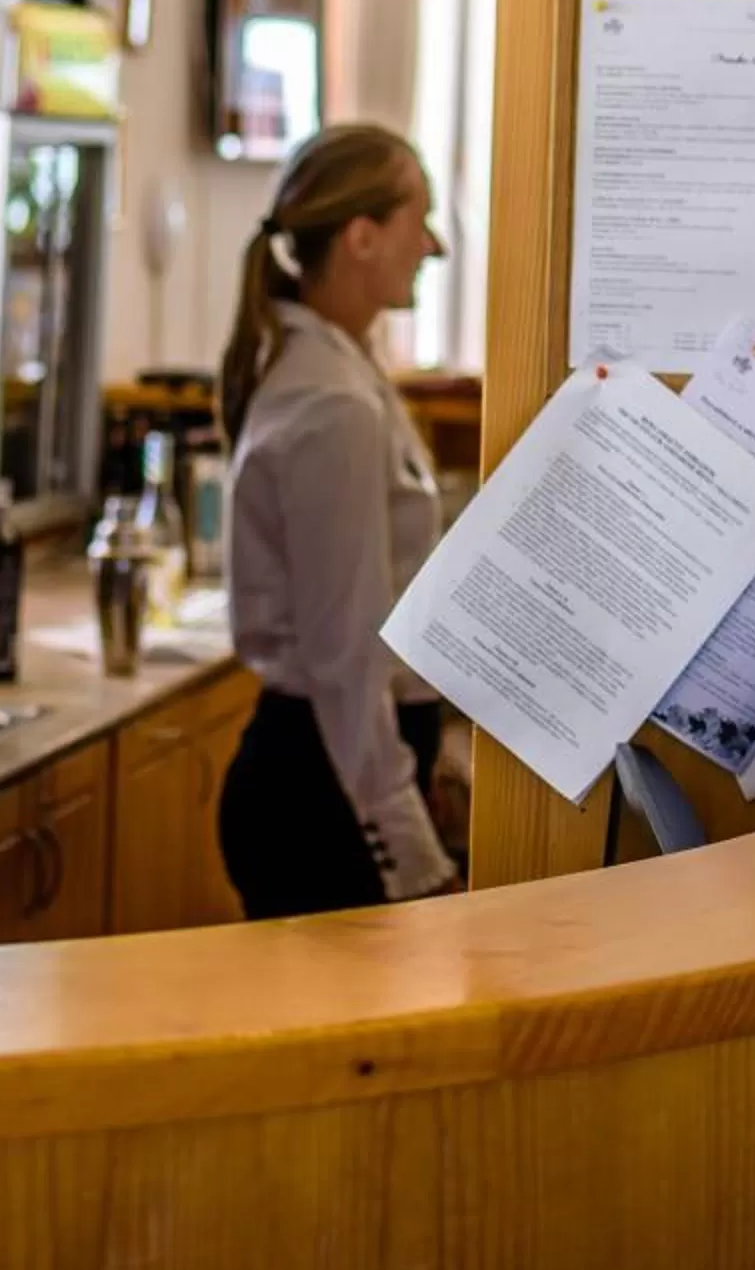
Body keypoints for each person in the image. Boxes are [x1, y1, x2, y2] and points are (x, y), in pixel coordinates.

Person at [214, 124, 459, 916]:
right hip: (320, 793)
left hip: (334, 769)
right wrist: (410, 847)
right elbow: (345, 654)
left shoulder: (340, 367)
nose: (432, 245)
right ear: (361, 236)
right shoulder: (332, 404)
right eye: (416, 219)